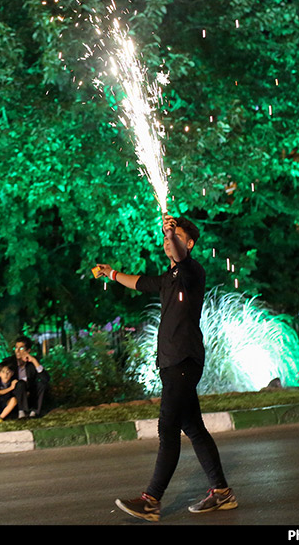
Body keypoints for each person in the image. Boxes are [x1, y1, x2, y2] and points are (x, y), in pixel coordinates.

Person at [99, 216, 236, 522]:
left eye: (174, 237)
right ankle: (222, 492)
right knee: (194, 429)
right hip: (173, 363)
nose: (167, 241)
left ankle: (151, 500)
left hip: (183, 362)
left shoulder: (191, 271)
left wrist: (171, 232)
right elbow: (138, 282)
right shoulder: (168, 277)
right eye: (165, 238)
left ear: (187, 243)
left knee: (168, 429)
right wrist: (111, 273)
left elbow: (180, 254)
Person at [9, 335, 50, 418]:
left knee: (41, 383)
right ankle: (22, 412)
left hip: (31, 394)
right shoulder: (10, 362)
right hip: (15, 394)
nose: (17, 351)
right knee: (20, 383)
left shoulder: (31, 363)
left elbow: (46, 379)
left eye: (21, 348)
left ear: (28, 350)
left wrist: (34, 361)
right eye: (16, 348)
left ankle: (34, 412)